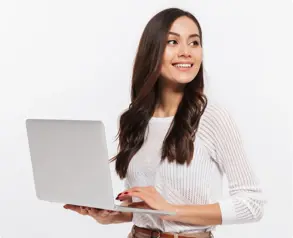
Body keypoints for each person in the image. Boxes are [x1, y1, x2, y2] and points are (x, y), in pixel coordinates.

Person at [64, 7, 266, 238]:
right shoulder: (133, 120)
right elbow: (147, 208)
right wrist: (115, 214)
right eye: (173, 42)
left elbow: (252, 204)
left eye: (194, 43)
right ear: (152, 51)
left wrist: (171, 211)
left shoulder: (211, 117)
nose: (186, 52)